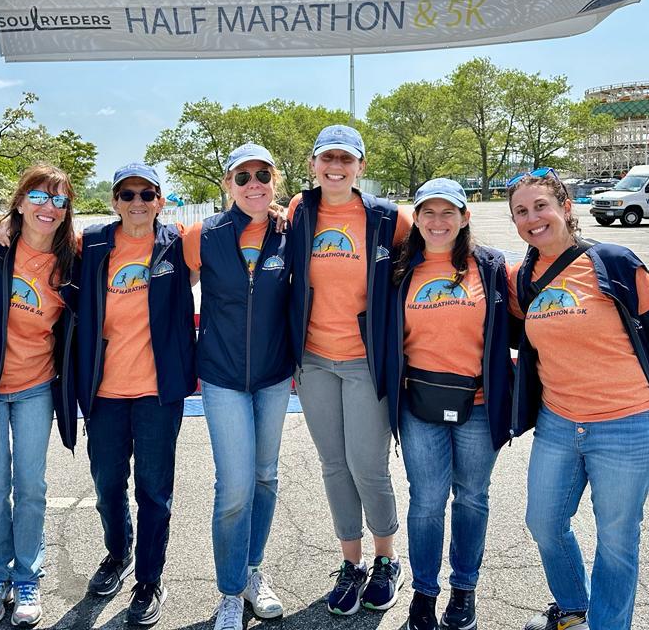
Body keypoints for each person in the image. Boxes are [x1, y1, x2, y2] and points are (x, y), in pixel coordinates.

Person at [506, 168, 649, 630]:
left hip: (628, 425)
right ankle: (572, 608)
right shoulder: (520, 278)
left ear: (566, 208)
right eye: (521, 212)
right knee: (544, 523)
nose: (533, 218)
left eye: (541, 206)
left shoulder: (615, 261)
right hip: (559, 424)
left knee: (616, 539)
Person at [287, 124, 412, 616]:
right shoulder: (301, 212)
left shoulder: (386, 219)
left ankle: (386, 559)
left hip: (365, 361)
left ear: (361, 166)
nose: (335, 168)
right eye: (326, 159)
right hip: (315, 359)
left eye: (346, 159)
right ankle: (351, 562)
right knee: (333, 464)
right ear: (314, 164)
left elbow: (427, 262)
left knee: (367, 465)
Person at [385, 179, 514, 630]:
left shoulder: (492, 266)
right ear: (415, 218)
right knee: (426, 500)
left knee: (473, 497)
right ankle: (423, 593)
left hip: (478, 404)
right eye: (428, 213)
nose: (437, 222)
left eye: (448, 213)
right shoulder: (400, 270)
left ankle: (464, 590)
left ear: (465, 217)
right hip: (419, 403)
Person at [0, 165, 78, 628]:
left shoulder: (72, 256)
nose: (50, 208)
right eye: (40, 198)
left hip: (34, 388)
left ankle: (27, 575)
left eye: (60, 201)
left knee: (31, 488)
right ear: (21, 201)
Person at [76, 162, 196, 626]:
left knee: (154, 492)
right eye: (127, 195)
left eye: (148, 194)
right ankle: (117, 552)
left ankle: (149, 579)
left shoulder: (177, 243)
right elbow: (37, 239)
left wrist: (284, 211)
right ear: (114, 202)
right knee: (108, 487)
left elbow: (238, 225)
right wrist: (5, 224)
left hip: (156, 392)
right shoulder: (92, 244)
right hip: (104, 392)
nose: (138, 203)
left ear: (161, 201)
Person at [180, 143, 293, 630]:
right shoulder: (201, 235)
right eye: (242, 176)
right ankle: (229, 591)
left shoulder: (293, 231)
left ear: (275, 181)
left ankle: (250, 573)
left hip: (272, 376)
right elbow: (164, 300)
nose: (254, 184)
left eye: (262, 175)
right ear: (227, 183)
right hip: (223, 378)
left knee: (266, 477)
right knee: (234, 487)